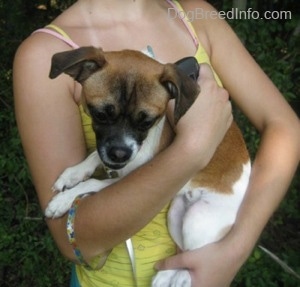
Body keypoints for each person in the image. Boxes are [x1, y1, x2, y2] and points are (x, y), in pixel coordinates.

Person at [13, 0, 299, 286]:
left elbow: (287, 128)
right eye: (102, 113)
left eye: (145, 120)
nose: (121, 146)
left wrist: (235, 250)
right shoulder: (42, 54)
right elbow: (72, 239)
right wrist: (194, 147)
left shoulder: (197, 18)